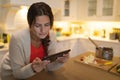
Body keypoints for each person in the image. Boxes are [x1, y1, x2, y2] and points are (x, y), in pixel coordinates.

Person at [0, 2, 69, 80]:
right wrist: (33, 68)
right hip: (11, 75)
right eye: (37, 25)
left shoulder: (51, 35)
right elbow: (17, 73)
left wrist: (59, 61)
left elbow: (49, 67)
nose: (43, 30)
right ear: (30, 25)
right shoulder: (17, 38)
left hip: (34, 75)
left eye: (47, 25)